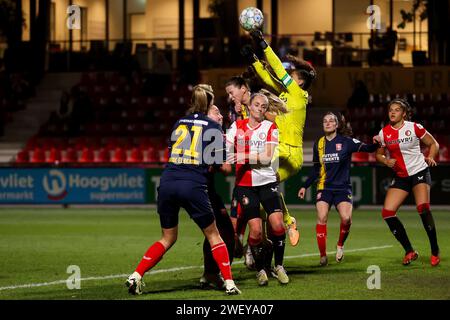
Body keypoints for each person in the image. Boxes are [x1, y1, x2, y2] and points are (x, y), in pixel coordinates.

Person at [125, 84, 241, 295]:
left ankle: (136, 275)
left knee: (167, 238)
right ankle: (230, 283)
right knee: (214, 235)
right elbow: (222, 168)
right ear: (209, 104)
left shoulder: (179, 123)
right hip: (192, 183)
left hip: (168, 181)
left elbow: (174, 152)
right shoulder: (212, 127)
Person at [241, 30, 317, 247]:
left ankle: (264, 236)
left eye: (292, 76)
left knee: (260, 183)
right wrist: (253, 60)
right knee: (266, 188)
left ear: (300, 82)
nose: (288, 76)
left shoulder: (297, 94)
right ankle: (288, 221)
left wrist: (263, 44)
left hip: (288, 151)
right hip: (284, 152)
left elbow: (275, 66)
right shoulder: (286, 93)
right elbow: (268, 77)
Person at [298, 112, 380, 266]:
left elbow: (368, 149)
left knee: (346, 219)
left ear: (336, 125)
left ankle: (340, 245)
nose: (327, 123)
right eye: (325, 121)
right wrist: (305, 185)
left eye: (331, 121)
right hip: (324, 187)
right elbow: (316, 169)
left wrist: (377, 143)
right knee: (322, 217)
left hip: (343, 188)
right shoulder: (319, 144)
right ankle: (322, 256)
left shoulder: (347, 142)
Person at [226, 92, 288, 286]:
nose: (261, 109)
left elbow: (268, 157)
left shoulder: (271, 127)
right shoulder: (237, 126)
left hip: (267, 181)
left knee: (278, 225)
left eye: (264, 106)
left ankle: (278, 266)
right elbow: (226, 150)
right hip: (245, 185)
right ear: (250, 106)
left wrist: (243, 155)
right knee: (256, 233)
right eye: (257, 105)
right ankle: (261, 268)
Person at [375, 98, 440, 266]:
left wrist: (431, 156)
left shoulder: (414, 127)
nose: (393, 112)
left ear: (404, 113)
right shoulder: (384, 133)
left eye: (397, 110)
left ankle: (434, 250)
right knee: (387, 212)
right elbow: (379, 154)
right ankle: (409, 251)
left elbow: (433, 144)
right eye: (391, 109)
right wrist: (385, 161)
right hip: (401, 176)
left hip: (419, 171)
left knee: (423, 208)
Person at [200, 104, 236, 289]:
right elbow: (226, 169)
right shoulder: (211, 134)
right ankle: (218, 275)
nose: (221, 116)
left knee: (212, 233)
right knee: (226, 233)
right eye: (216, 112)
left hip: (203, 188)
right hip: (202, 190)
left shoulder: (198, 130)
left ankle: (209, 274)